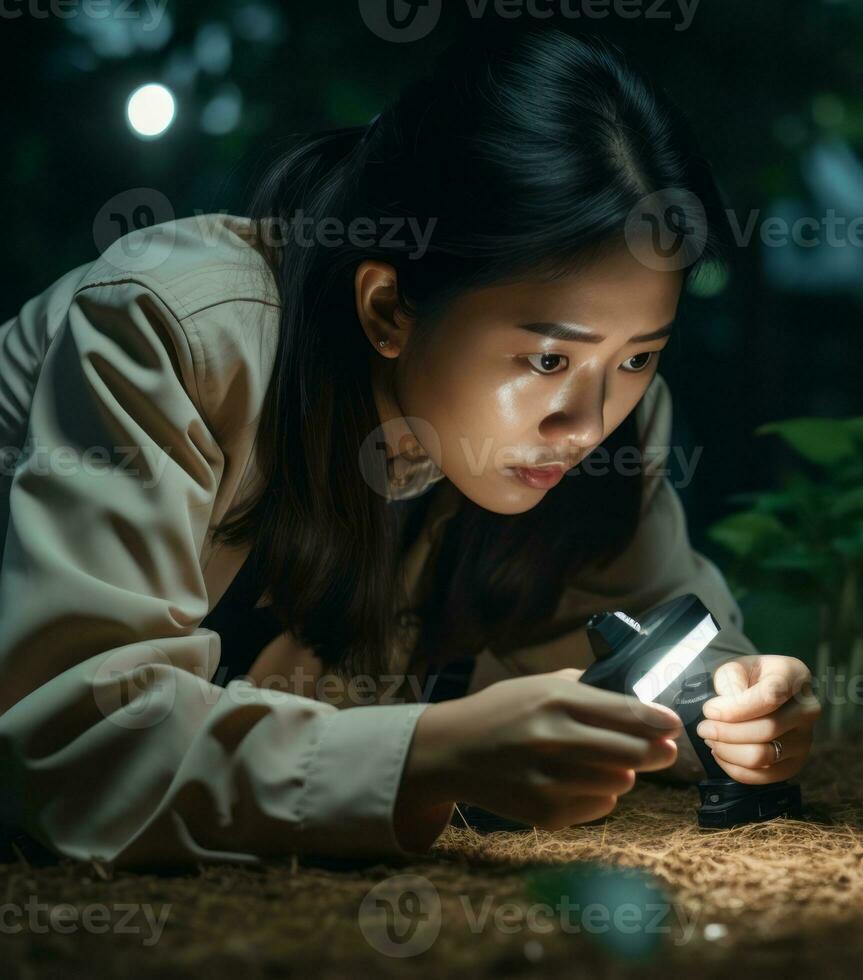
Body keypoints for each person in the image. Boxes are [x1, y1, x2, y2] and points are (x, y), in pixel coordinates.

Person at [0, 28, 819, 869]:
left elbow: (661, 625)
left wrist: (737, 710)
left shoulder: (606, 423)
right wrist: (425, 756)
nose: (587, 420)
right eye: (546, 358)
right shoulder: (176, 335)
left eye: (640, 355)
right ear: (388, 308)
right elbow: (72, 746)